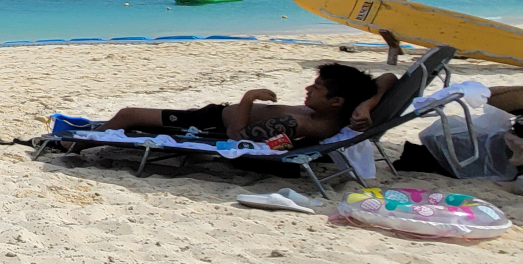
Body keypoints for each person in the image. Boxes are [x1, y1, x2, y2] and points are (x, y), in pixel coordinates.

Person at [99, 62, 387, 149]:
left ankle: (76, 146)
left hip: (207, 123)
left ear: (336, 101)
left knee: (127, 115)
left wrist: (248, 97)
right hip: (212, 115)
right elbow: (389, 78)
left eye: (316, 88)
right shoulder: (344, 111)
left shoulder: (298, 124)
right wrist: (368, 104)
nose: (308, 90)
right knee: (134, 119)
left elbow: (238, 138)